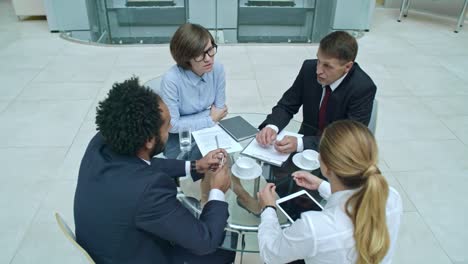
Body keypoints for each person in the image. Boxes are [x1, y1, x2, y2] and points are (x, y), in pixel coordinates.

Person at [74, 77, 236, 264]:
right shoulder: (149, 190)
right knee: (224, 247)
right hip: (137, 256)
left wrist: (195, 165)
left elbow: (140, 165)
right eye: (167, 127)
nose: (170, 132)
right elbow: (205, 242)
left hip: (110, 243)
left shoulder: (103, 141)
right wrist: (217, 191)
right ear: (149, 140)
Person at [257, 120, 402, 264]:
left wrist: (268, 208)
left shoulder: (313, 228)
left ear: (326, 167)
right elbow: (351, 202)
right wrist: (322, 185)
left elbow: (271, 254)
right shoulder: (391, 196)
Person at [256, 31, 377, 153]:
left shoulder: (363, 88)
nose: (318, 70)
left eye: (327, 66)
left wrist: (301, 143)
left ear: (347, 67)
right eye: (318, 60)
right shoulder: (309, 69)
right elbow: (287, 105)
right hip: (305, 141)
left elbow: (349, 138)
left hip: (337, 154)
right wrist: (272, 126)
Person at [160, 23, 228, 159]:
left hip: (207, 132)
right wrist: (210, 118)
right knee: (191, 168)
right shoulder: (171, 80)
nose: (208, 58)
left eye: (210, 50)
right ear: (186, 58)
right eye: (199, 55)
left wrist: (185, 121)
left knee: (223, 164)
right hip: (179, 139)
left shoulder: (217, 69)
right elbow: (172, 126)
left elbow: (220, 110)